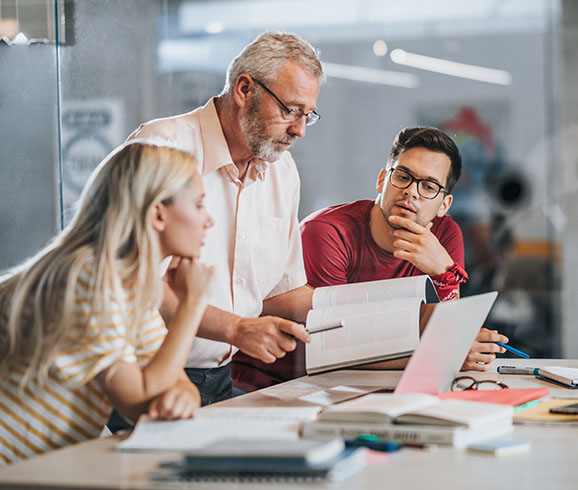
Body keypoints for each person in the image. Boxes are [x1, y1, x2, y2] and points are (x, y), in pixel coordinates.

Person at [124, 31, 322, 402]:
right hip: (140, 374)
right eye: (290, 110)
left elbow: (284, 293)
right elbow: (136, 281)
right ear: (244, 90)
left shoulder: (282, 169)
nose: (299, 130)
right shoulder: (162, 147)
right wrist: (236, 328)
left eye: (308, 115)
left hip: (220, 378)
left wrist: (387, 314)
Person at [0, 141, 214, 466]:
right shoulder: (90, 276)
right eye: (199, 205)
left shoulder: (129, 284)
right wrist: (192, 304)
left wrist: (182, 396)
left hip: (45, 469)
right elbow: (138, 401)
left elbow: (171, 379)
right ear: (157, 213)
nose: (208, 220)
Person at [301, 127, 509, 371]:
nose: (411, 191)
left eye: (429, 187)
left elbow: (446, 333)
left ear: (444, 204)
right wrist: (444, 356)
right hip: (287, 383)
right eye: (402, 176)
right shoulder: (327, 231)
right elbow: (335, 346)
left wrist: (444, 276)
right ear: (382, 180)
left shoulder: (445, 234)